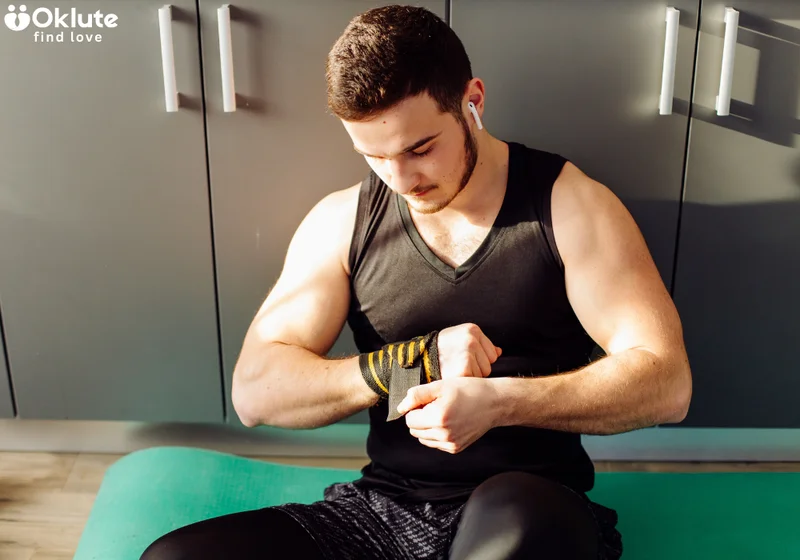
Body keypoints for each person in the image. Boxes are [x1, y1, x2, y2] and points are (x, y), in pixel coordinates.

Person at [141, 5, 692, 559]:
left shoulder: (569, 206)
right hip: (385, 510)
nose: (401, 180)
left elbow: (667, 384)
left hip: (529, 507)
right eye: (374, 156)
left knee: (517, 529)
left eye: (420, 149)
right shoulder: (341, 221)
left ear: (472, 101)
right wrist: (414, 361)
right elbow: (256, 394)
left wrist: (499, 403)